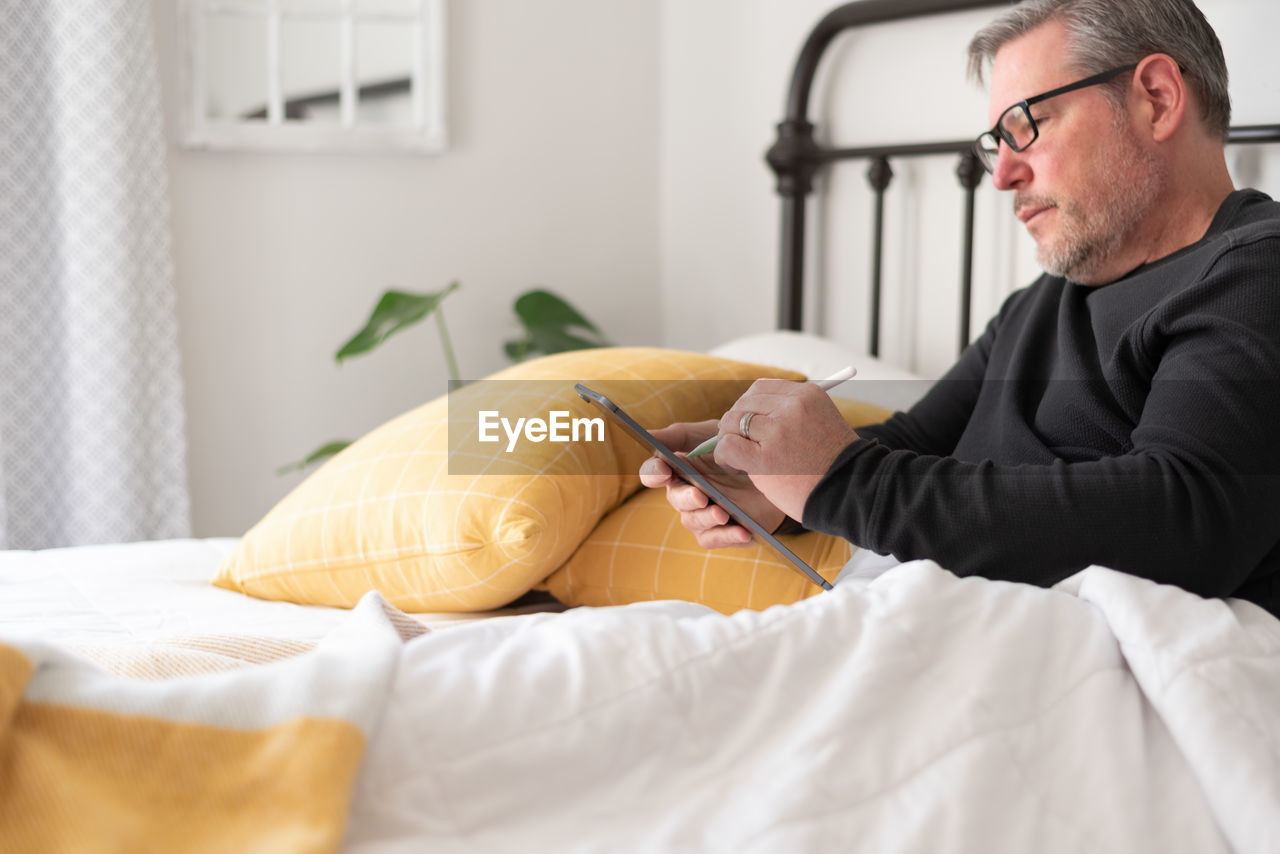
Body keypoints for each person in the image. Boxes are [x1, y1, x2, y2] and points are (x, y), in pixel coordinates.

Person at [640, 0, 1280, 617]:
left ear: (1157, 98)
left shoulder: (1253, 272)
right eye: (995, 142)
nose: (1002, 174)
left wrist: (840, 481)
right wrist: (779, 482)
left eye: (1027, 124)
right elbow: (914, 445)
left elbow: (1191, 516)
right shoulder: (1039, 304)